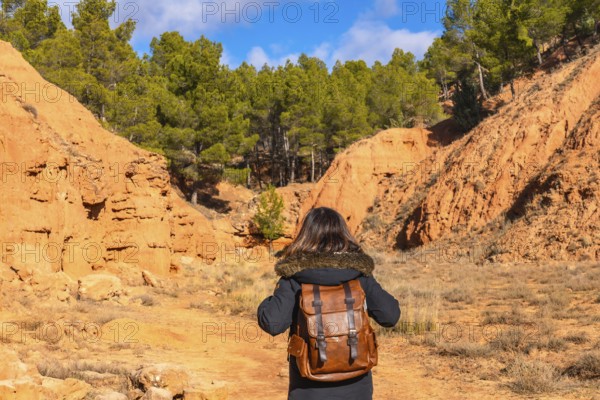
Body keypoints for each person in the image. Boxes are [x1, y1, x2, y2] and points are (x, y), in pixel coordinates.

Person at [257, 207, 400, 400]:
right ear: (343, 234)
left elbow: (272, 323)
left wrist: (267, 302)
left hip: (308, 389)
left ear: (305, 236)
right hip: (357, 387)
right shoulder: (360, 275)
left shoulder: (294, 278)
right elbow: (390, 316)